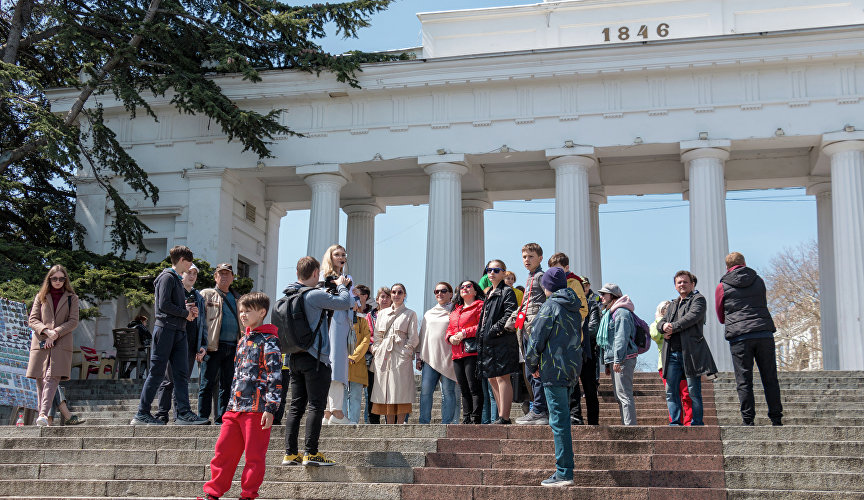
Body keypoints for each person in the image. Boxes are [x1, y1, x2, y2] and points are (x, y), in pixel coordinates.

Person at [200, 292, 281, 500]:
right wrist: (228, 406)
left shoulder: (269, 340)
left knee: (254, 457)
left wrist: (271, 408)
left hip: (257, 410)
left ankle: (248, 495)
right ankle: (213, 493)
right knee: (223, 453)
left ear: (262, 312)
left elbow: (275, 376)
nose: (243, 314)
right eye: (241, 310)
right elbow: (236, 376)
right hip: (234, 408)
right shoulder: (243, 340)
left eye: (248, 311)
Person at [283, 256, 353, 467]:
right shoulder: (313, 295)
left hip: (294, 356)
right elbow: (346, 302)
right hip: (315, 358)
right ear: (315, 274)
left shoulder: (288, 293)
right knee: (316, 405)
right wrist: (341, 286)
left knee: (296, 406)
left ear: (297, 274)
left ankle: (290, 454)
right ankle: (311, 453)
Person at [132, 246, 208, 425]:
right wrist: (184, 312)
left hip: (179, 331)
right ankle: (142, 413)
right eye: (188, 263)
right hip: (166, 330)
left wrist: (187, 311)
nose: (190, 267)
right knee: (157, 372)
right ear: (182, 260)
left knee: (181, 374)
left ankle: (183, 413)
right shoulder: (167, 277)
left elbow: (173, 306)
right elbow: (163, 305)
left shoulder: (176, 281)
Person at [525, 267, 582, 487]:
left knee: (558, 422)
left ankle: (564, 473)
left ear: (546, 285)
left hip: (553, 370)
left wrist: (532, 364)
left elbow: (536, 337)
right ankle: (564, 470)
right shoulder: (574, 306)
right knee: (562, 420)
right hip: (570, 370)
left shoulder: (550, 306)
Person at [716, 252, 783, 426]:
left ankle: (748, 420)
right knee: (770, 377)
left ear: (727, 267)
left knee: (744, 380)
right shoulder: (758, 280)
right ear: (744, 263)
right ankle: (776, 418)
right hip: (763, 332)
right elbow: (762, 302)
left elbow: (721, 315)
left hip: (740, 336)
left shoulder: (722, 286)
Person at [656, 271, 719, 426]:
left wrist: (672, 327)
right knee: (671, 391)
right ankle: (675, 422)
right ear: (675, 286)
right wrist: (663, 326)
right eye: (679, 282)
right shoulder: (672, 304)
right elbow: (660, 322)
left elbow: (692, 317)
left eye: (685, 282)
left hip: (690, 354)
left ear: (692, 284)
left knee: (693, 391)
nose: (682, 285)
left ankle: (697, 423)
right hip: (672, 354)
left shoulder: (698, 299)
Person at [27, 264, 79, 427]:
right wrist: (46, 332)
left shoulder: (72, 298)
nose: (58, 281)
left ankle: (42, 414)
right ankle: (44, 418)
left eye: (61, 279)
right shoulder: (40, 296)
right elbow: (32, 320)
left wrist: (55, 332)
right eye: (54, 278)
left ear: (65, 280)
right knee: (41, 379)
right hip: (42, 341)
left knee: (52, 377)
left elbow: (73, 321)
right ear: (49, 279)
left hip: (61, 341)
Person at [155, 263, 207, 423]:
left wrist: (203, 344)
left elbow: (203, 323)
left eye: (195, 274)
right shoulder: (174, 290)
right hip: (173, 339)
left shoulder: (198, 296)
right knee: (168, 379)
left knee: (182, 379)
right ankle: (162, 414)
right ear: (181, 274)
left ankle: (180, 415)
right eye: (189, 273)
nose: (192, 276)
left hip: (190, 343)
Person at [477, 259, 519, 424]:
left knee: (502, 377)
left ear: (503, 273)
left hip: (502, 340)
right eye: (489, 270)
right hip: (488, 342)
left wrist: (493, 330)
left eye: (496, 270)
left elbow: (510, 313)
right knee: (492, 378)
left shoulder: (507, 291)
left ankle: (504, 416)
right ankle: (500, 415)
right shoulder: (488, 293)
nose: (492, 273)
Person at [199, 262, 242, 424]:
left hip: (233, 347)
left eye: (227, 274)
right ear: (215, 276)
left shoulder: (238, 297)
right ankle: (202, 417)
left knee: (228, 384)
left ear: (232, 278)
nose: (224, 276)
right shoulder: (206, 294)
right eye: (221, 273)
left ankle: (222, 418)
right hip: (212, 346)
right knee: (207, 383)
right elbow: (199, 321)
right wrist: (200, 345)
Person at [370, 283, 419, 424]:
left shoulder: (410, 314)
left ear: (404, 295)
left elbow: (414, 337)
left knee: (401, 389)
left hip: (401, 354)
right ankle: (389, 424)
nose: (396, 295)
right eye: (394, 292)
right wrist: (376, 350)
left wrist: (406, 352)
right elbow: (377, 335)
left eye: (399, 292)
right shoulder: (382, 313)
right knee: (385, 390)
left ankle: (400, 424)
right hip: (384, 354)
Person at [513, 243, 549, 425]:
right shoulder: (529, 277)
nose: (527, 260)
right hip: (525, 327)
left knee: (535, 370)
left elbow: (548, 299)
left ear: (540, 258)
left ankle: (540, 410)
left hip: (535, 327)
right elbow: (526, 303)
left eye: (531, 256)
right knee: (530, 372)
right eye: (524, 257)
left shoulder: (542, 276)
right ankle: (538, 408)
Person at [595, 283, 638, 425]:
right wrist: (608, 363)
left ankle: (631, 428)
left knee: (624, 395)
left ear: (613, 296)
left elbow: (621, 337)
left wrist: (617, 360)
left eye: (604, 294)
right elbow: (608, 341)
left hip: (623, 359)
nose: (601, 297)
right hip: (616, 359)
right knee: (620, 396)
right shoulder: (610, 313)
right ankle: (626, 425)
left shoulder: (621, 313)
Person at [417, 282, 460, 424]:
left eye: (443, 291)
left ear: (450, 294)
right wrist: (418, 357)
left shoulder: (456, 312)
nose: (439, 294)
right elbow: (423, 336)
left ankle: (447, 423)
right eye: (436, 291)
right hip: (429, 359)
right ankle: (424, 421)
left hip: (449, 358)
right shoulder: (428, 314)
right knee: (425, 392)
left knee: (448, 392)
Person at [320, 244, 354, 425]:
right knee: (332, 365)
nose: (341, 257)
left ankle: (330, 411)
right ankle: (335, 412)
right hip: (329, 323)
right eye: (337, 254)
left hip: (341, 324)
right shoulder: (324, 278)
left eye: (343, 254)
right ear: (330, 257)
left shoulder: (347, 278)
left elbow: (351, 302)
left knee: (337, 365)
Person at [447, 280, 486, 424]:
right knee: (463, 388)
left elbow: (481, 326)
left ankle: (476, 418)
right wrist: (450, 337)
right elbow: (450, 329)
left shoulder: (480, 306)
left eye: (469, 286)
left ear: (475, 291)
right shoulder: (455, 310)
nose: (465, 289)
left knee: (473, 386)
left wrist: (464, 333)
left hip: (473, 352)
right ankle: (466, 417)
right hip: (457, 353)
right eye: (462, 287)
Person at [650, 300, 692, 426]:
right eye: (663, 309)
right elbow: (656, 336)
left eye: (668, 309)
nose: (666, 311)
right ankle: (675, 420)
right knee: (673, 393)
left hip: (682, 360)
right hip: (665, 363)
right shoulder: (654, 324)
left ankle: (689, 421)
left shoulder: (678, 322)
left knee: (686, 393)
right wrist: (660, 321)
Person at [569, 275, 601, 425]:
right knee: (573, 386)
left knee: (590, 389)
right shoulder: (569, 305)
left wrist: (576, 332)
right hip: (573, 351)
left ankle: (593, 422)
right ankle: (576, 417)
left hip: (587, 351)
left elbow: (593, 328)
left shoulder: (592, 305)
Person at [364, 287, 391, 424]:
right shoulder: (370, 316)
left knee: (390, 391)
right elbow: (367, 335)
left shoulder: (396, 314)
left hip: (391, 357)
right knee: (372, 390)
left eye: (387, 297)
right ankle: (373, 421)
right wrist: (373, 348)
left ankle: (390, 420)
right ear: (377, 299)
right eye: (382, 297)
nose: (385, 299)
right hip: (374, 357)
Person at [345, 287, 371, 424]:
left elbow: (366, 340)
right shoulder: (341, 319)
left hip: (357, 363)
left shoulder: (363, 320)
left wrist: (354, 356)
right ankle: (341, 419)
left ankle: (353, 421)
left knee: (355, 395)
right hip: (342, 364)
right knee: (341, 395)